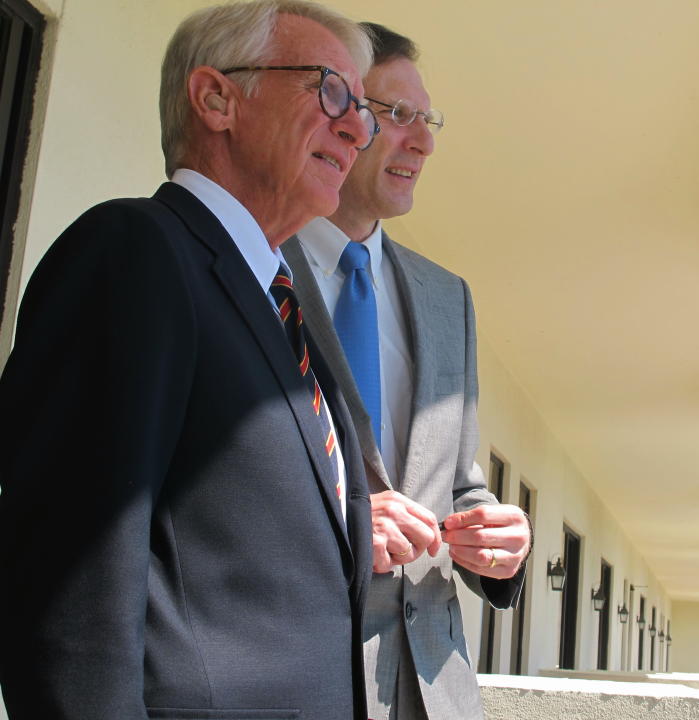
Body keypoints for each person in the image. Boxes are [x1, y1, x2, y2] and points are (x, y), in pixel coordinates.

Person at [0, 3, 378, 719]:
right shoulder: (133, 253)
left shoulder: (284, 307)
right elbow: (70, 597)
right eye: (332, 91)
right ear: (216, 99)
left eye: (364, 111)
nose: (358, 129)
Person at [280, 23, 532, 720]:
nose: (422, 142)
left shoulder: (448, 298)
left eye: (429, 121)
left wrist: (498, 537)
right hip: (296, 674)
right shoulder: (256, 262)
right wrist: (350, 519)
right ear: (340, 118)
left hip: (431, 690)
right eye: (398, 116)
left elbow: (459, 482)